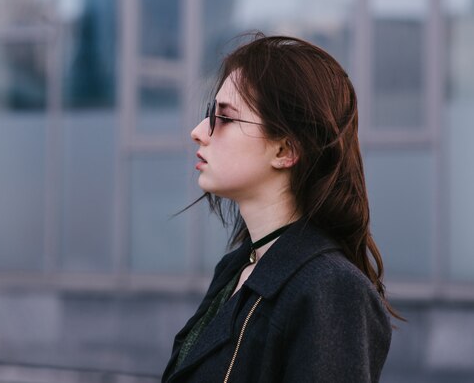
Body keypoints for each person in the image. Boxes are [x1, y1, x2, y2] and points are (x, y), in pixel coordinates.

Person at [161, 33, 400, 383]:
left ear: (285, 150)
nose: (198, 131)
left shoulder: (331, 290)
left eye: (224, 118)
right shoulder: (237, 268)